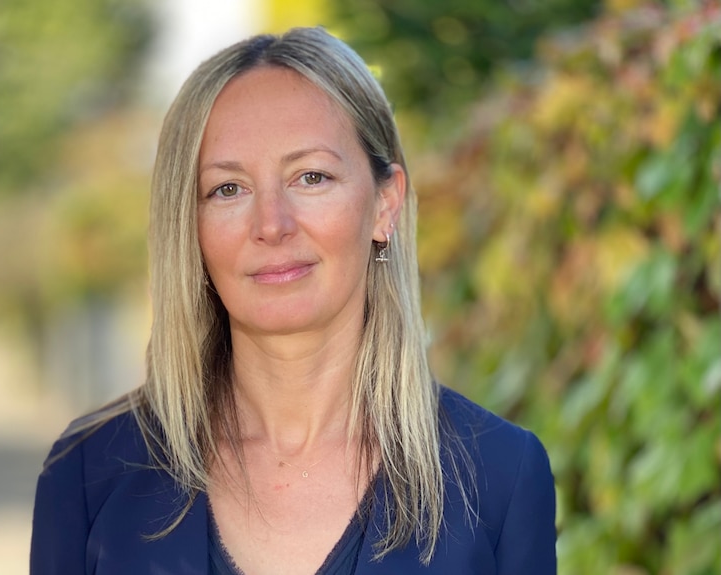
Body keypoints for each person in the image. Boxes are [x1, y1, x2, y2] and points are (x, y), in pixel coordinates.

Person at [30, 26, 556, 575]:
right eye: (227, 189)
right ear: (189, 225)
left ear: (384, 204)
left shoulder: (501, 478)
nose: (271, 225)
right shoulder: (89, 473)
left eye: (311, 177)